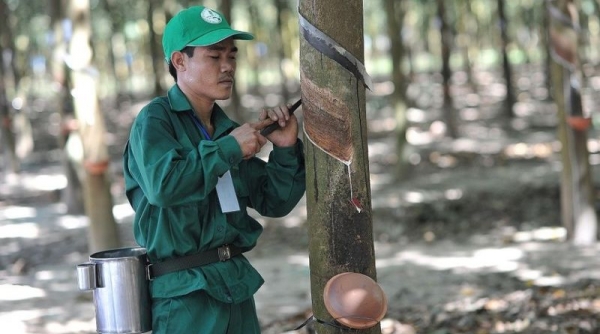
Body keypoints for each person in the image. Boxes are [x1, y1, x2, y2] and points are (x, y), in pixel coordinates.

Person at [122, 5, 306, 333]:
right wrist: (229, 149)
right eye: (214, 56)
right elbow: (165, 187)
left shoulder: (225, 129)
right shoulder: (156, 120)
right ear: (180, 61)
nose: (227, 67)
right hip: (185, 298)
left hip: (235, 286)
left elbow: (274, 201)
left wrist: (286, 148)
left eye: (232, 56)